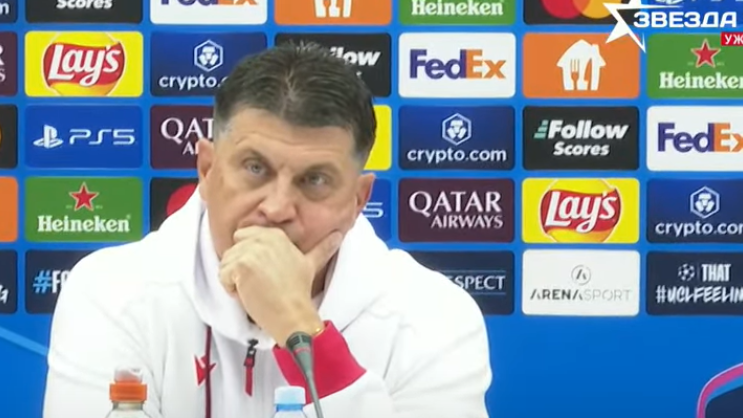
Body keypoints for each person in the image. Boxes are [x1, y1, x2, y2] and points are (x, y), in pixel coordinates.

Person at [43, 43, 492, 418]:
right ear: (207, 170)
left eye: (315, 179)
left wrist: (300, 329)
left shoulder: (433, 316)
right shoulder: (112, 292)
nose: (277, 209)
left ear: (358, 200)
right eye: (255, 168)